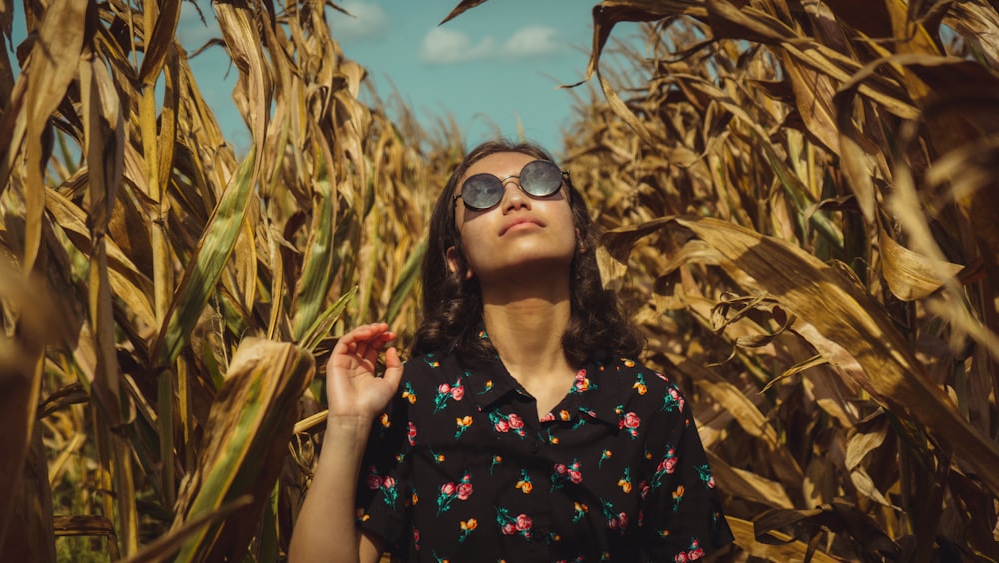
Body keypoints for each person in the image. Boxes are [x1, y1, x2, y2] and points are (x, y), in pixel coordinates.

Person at [289, 140, 734, 562]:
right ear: (457, 260)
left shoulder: (648, 403)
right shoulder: (414, 399)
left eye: (539, 180)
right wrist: (348, 424)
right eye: (482, 193)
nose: (516, 200)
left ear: (580, 235)